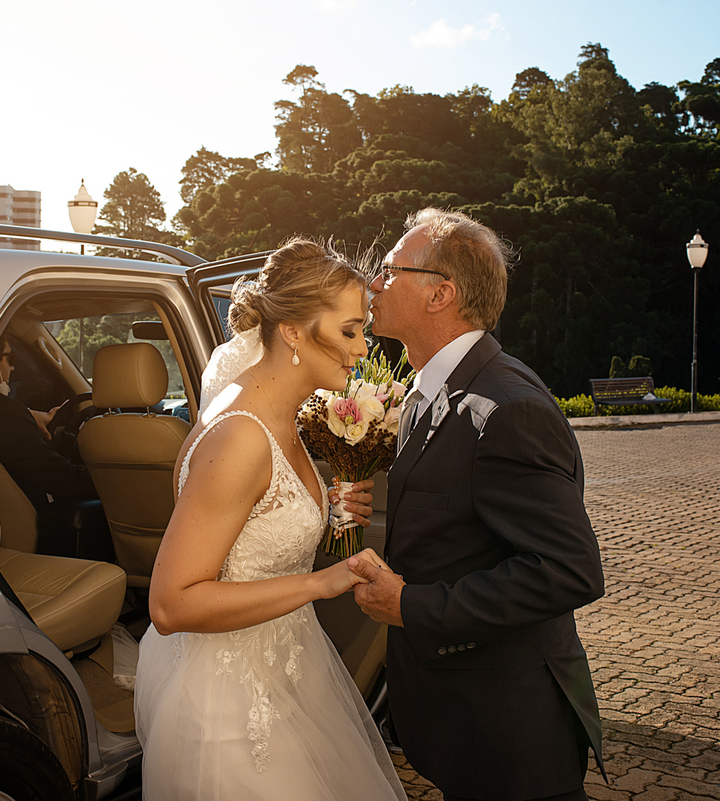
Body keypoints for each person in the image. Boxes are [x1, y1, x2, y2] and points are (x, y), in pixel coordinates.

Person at [133, 239, 407, 800]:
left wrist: (329, 519)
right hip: (231, 709)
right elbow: (171, 604)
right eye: (350, 330)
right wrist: (319, 582)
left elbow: (252, 533)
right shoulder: (241, 436)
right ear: (293, 332)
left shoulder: (279, 416)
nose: (362, 348)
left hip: (286, 672)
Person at [349, 208, 606, 801]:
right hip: (458, 714)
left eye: (390, 270)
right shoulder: (428, 390)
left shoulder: (507, 407)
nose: (374, 284)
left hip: (509, 729)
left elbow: (568, 570)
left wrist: (413, 605)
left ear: (442, 294)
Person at [0, 335, 95, 513]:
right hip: (35, 517)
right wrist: (114, 478)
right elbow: (60, 478)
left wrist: (29, 416)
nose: (13, 367)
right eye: (11, 359)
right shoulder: (5, 415)